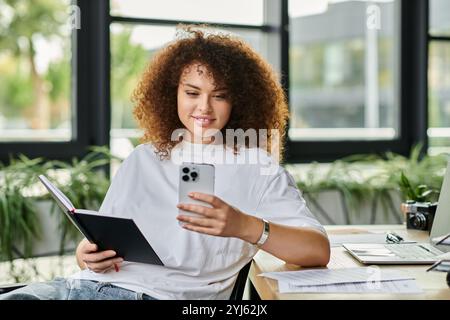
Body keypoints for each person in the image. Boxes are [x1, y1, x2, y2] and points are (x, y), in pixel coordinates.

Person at [0, 25, 330, 300]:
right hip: (81, 287)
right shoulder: (143, 159)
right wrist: (86, 254)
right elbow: (105, 242)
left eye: (219, 95)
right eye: (192, 93)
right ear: (171, 94)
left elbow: (317, 250)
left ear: (239, 101)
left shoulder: (258, 168)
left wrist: (243, 226)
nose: (204, 107)